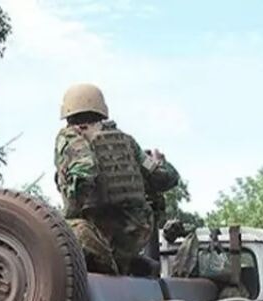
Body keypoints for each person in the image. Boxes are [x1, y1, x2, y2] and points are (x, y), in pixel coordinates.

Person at [54, 83, 180, 276]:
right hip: (135, 235)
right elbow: (165, 179)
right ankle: (127, 264)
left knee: (54, 229)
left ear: (68, 115)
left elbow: (84, 171)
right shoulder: (125, 141)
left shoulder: (71, 137)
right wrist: (162, 162)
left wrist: (68, 216)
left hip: (97, 234)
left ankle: (112, 267)